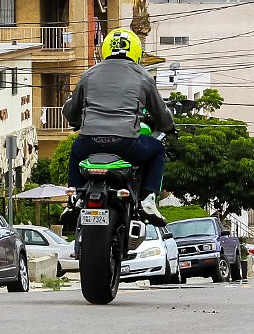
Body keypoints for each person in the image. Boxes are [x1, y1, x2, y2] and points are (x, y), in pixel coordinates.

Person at [61, 28, 175, 227]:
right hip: (126, 144)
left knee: (76, 149)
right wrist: (169, 126)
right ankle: (148, 199)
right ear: (136, 52)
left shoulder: (89, 74)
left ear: (105, 49)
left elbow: (70, 111)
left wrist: (78, 121)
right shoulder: (144, 76)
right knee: (157, 149)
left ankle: (74, 197)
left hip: (89, 143)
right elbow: (161, 114)